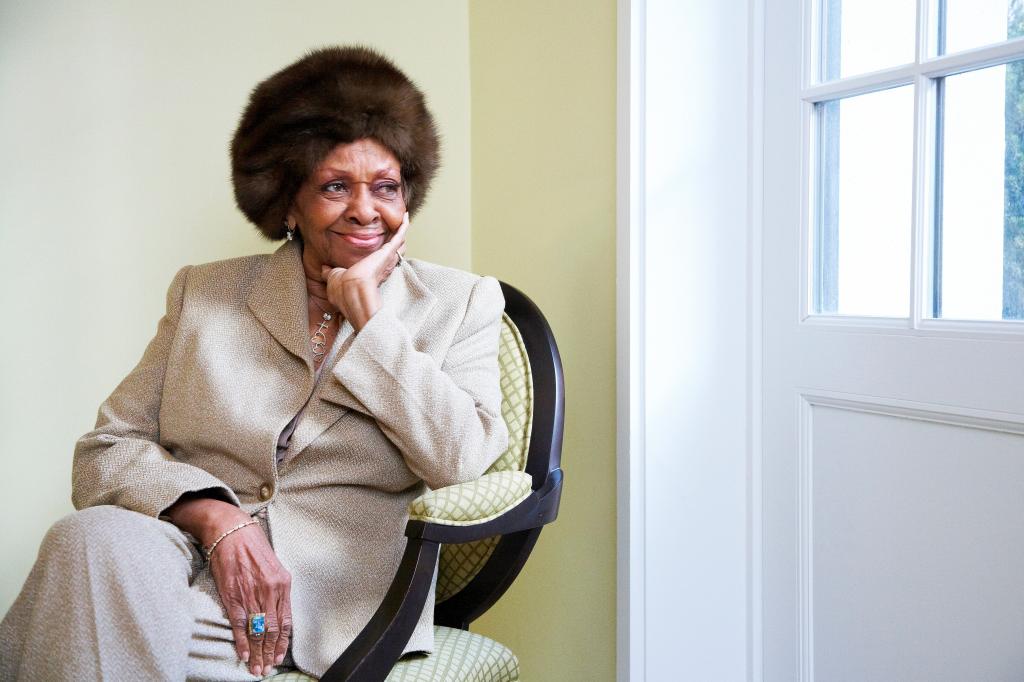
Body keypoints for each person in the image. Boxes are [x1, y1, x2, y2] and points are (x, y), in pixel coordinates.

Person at [0, 46, 509, 681]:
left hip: (319, 603)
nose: (364, 209)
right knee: (86, 543)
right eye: (333, 187)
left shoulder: (460, 303)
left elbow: (460, 459)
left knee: (75, 623)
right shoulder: (205, 294)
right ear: (287, 205)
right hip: (173, 562)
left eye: (385, 187)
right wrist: (214, 515)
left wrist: (371, 324)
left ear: (409, 198)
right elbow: (105, 451)